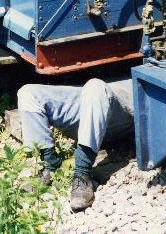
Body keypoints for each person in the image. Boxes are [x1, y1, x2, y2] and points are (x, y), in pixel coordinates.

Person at [17, 76, 134, 212]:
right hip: (96, 95)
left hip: (125, 103)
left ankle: (82, 174)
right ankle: (51, 165)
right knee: (27, 93)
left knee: (95, 86)